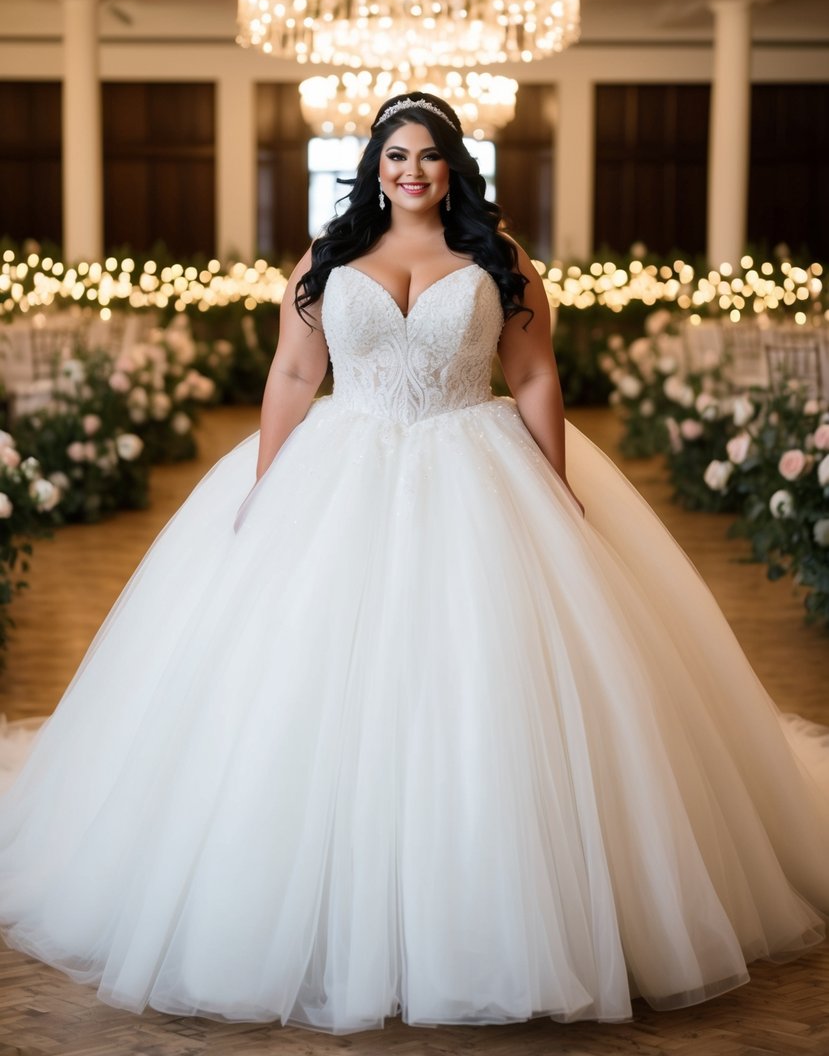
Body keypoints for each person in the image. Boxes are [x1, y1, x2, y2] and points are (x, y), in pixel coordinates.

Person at [0, 91, 827, 1036]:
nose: (412, 169)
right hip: (338, 467)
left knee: (484, 687)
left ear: (453, 167)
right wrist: (265, 487)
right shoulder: (327, 259)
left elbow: (531, 375)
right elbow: (294, 375)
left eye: (430, 155)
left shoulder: (498, 260)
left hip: (474, 469)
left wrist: (556, 489)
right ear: (374, 163)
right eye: (396, 153)